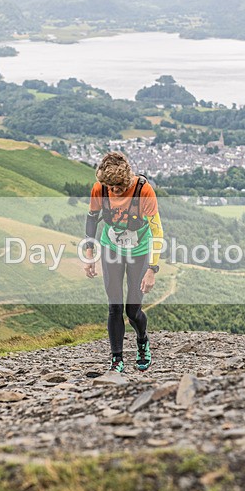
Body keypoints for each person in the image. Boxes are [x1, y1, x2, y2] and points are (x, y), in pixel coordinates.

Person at [83, 151, 164, 373]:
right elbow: (91, 219)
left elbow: (157, 231)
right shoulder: (100, 188)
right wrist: (89, 254)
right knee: (114, 306)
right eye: (111, 187)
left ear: (126, 179)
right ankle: (117, 359)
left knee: (132, 309)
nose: (114, 191)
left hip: (139, 250)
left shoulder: (143, 191)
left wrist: (152, 269)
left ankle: (142, 341)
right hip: (111, 248)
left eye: (118, 186)